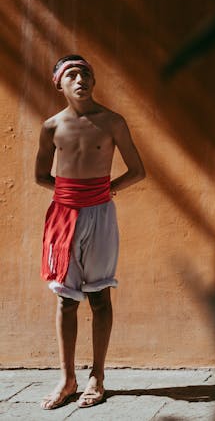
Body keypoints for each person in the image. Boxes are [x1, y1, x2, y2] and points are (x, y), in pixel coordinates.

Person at [35, 55, 146, 409]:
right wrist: (69, 194)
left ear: (93, 82)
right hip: (63, 216)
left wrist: (105, 191)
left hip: (100, 214)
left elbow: (137, 170)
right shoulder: (52, 126)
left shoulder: (112, 122)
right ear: (59, 84)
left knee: (100, 296)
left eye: (85, 73)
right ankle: (67, 379)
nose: (79, 78)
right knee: (66, 300)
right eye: (71, 74)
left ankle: (97, 377)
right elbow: (40, 175)